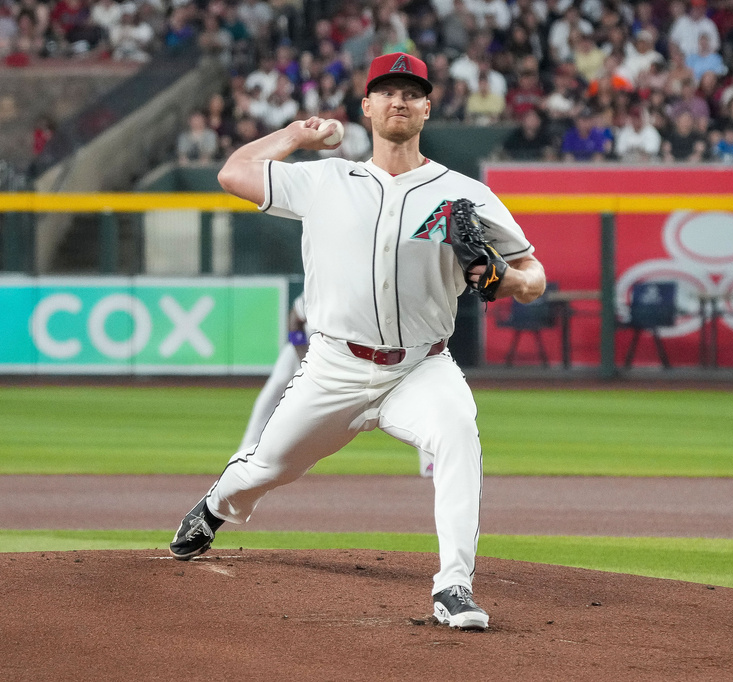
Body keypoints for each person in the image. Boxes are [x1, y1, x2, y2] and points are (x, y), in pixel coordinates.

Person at [169, 52, 546, 632]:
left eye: (411, 92)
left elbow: (533, 274)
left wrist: (511, 280)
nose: (400, 100)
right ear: (366, 106)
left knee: (458, 438)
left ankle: (453, 585)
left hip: (422, 366)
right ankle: (217, 507)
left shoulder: (462, 193)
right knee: (268, 467)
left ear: (427, 106)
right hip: (333, 367)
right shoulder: (325, 180)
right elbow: (233, 172)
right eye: (387, 91)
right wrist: (296, 135)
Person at [240, 293, 435, 477]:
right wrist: (304, 357)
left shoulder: (375, 294)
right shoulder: (321, 285)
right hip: (307, 347)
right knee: (274, 389)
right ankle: (246, 451)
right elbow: (294, 321)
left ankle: (429, 460)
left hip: (351, 353)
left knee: (408, 393)